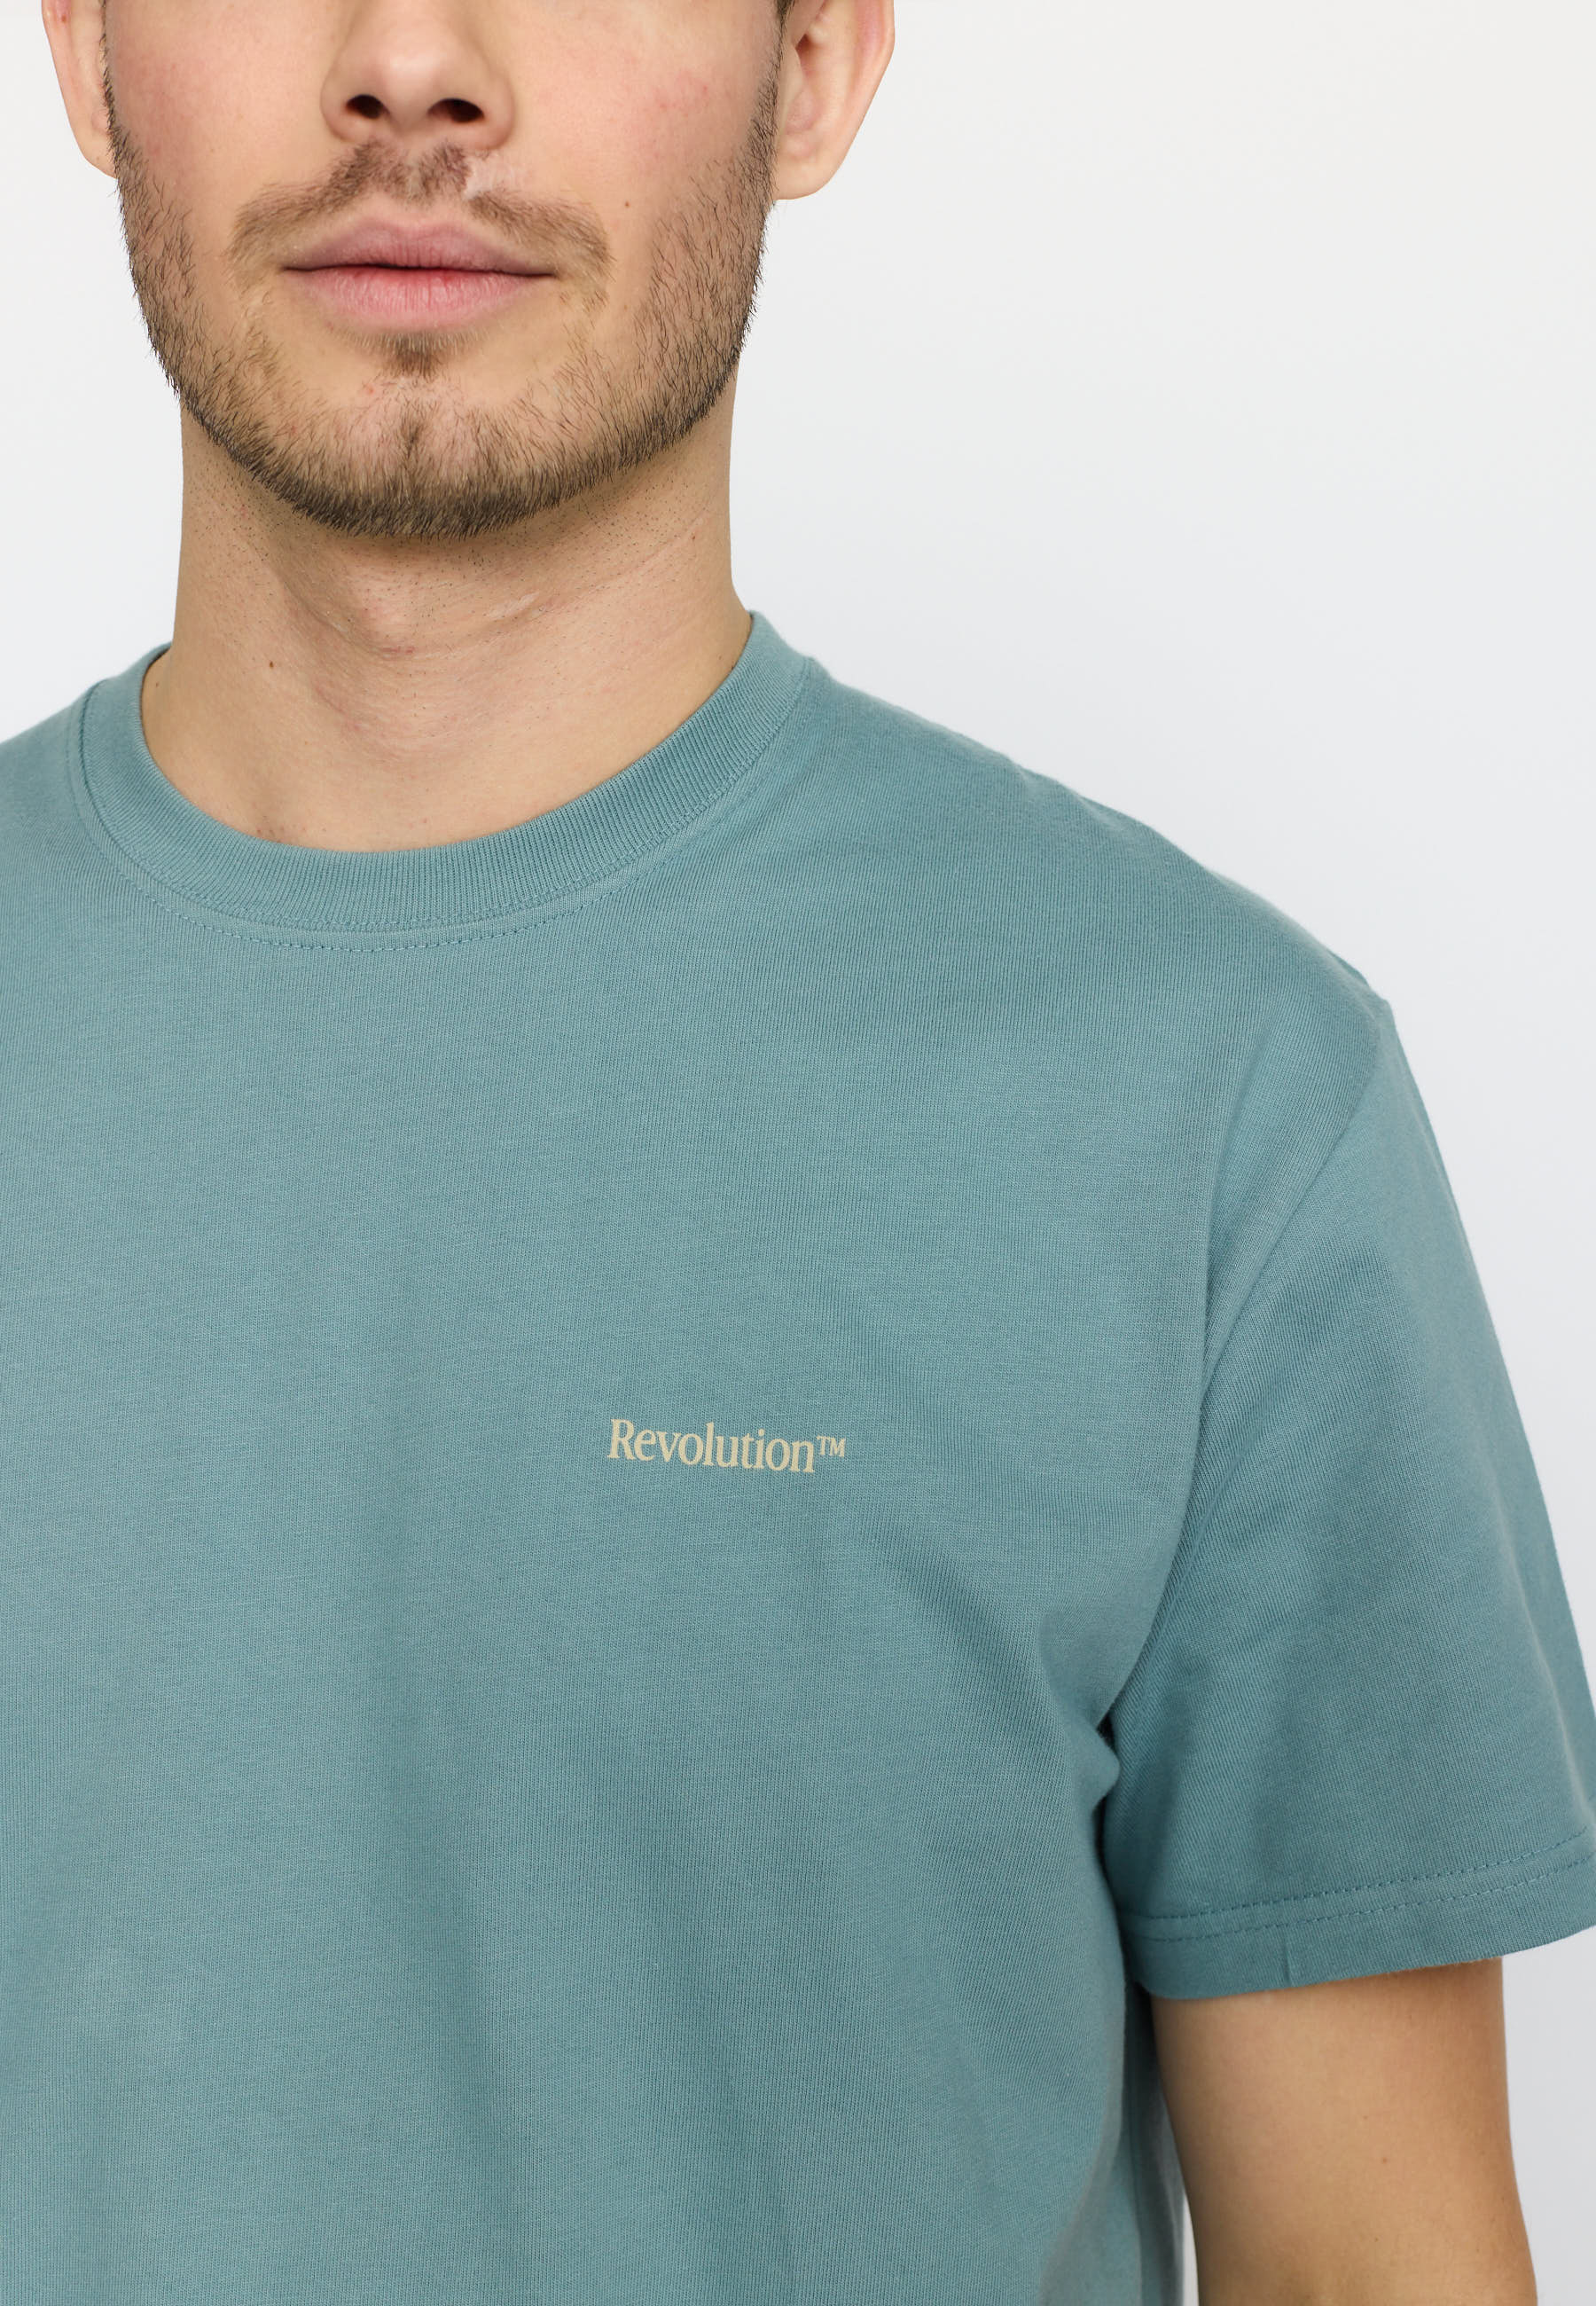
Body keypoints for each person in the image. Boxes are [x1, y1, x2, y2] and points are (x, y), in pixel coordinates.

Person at [9, 3, 1593, 2300]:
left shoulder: (1215, 1108)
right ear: (83, 53)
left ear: (820, 64)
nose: (414, 61)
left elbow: (1366, 2262)